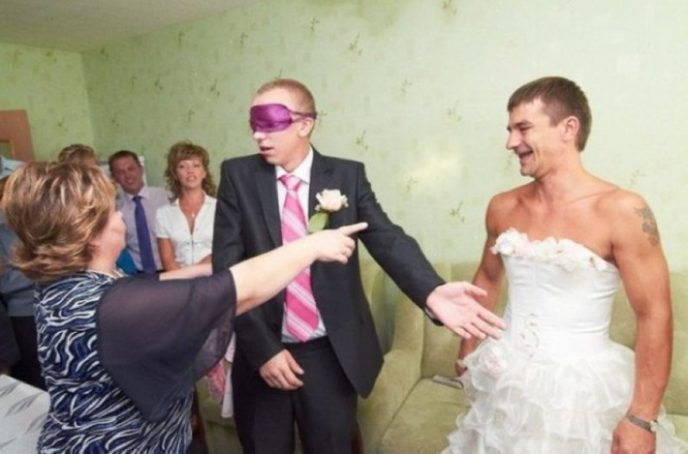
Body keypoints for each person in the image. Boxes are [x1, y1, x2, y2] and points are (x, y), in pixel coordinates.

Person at [212, 78, 505, 453]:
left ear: (305, 124)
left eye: (270, 122)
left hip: (328, 352)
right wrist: (263, 350)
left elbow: (386, 236)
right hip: (261, 349)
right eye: (254, 123)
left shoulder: (346, 176)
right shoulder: (238, 176)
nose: (258, 134)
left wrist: (431, 291)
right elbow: (229, 269)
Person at [3, 161, 366, 452]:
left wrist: (200, 269)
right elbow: (241, 292)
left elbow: (137, 288)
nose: (120, 218)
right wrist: (311, 246)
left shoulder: (59, 284)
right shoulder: (114, 307)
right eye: (112, 212)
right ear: (90, 233)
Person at [444, 76, 688, 453]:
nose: (510, 143)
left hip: (581, 391)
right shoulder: (502, 206)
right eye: (509, 130)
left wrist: (642, 418)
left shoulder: (623, 210)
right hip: (506, 378)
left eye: (523, 128)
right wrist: (468, 350)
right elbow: (487, 280)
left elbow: (655, 314)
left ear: (568, 128)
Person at [0, 175, 44, 389]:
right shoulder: (2, 230)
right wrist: (43, 270)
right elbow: (5, 284)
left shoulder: (39, 223)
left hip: (49, 306)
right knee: (35, 376)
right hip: (24, 314)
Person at [156, 141, 216, 270]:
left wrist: (193, 274)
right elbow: (168, 260)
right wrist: (184, 280)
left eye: (196, 165)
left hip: (216, 277)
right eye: (182, 166)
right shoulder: (163, 214)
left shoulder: (220, 208)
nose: (190, 171)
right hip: (178, 280)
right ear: (175, 174)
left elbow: (224, 251)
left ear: (204, 172)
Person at [109, 149, 169, 273]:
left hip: (170, 270)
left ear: (141, 169)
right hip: (136, 274)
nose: (128, 175)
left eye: (131, 169)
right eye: (120, 172)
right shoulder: (115, 210)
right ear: (114, 178)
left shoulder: (166, 197)